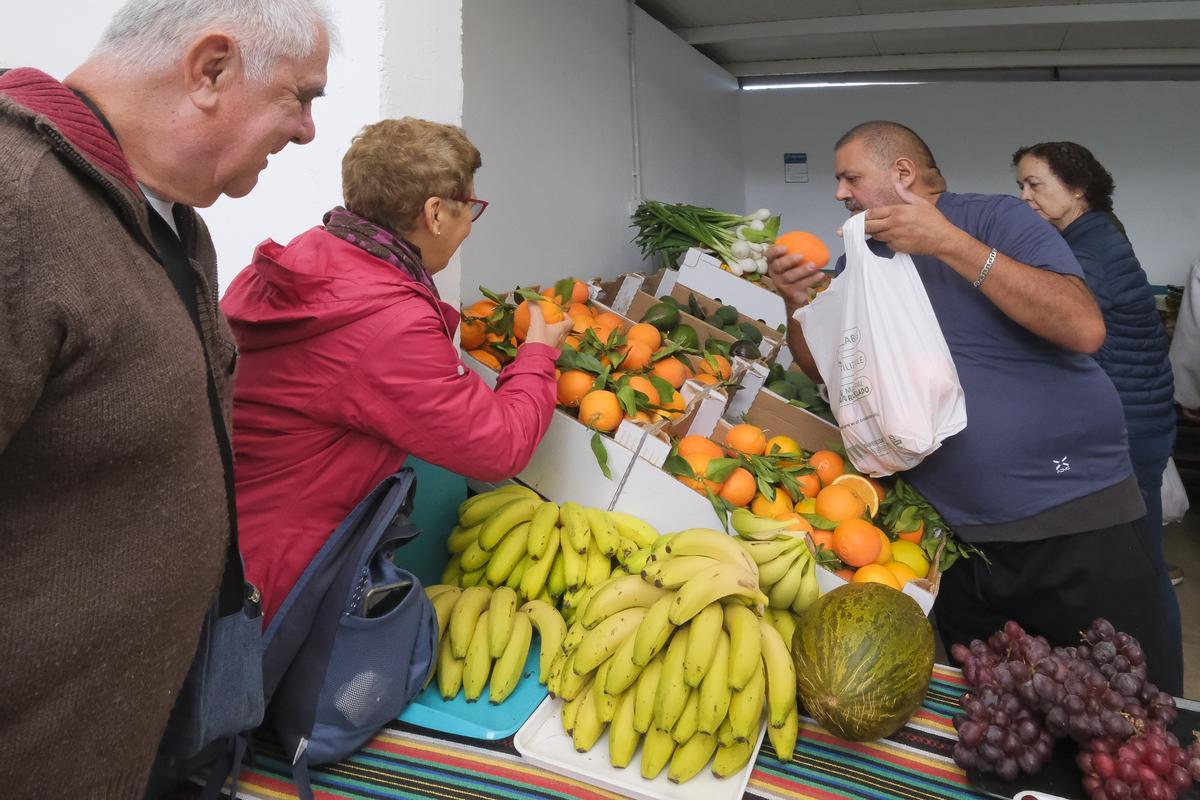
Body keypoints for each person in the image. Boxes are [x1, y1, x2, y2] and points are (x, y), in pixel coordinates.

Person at [0, 1, 333, 797]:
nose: (308, 131)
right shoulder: (16, 205)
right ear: (210, 69)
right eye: (300, 97)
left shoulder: (172, 220)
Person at [767, 121, 1182, 695]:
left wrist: (947, 243)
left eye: (850, 177)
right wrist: (795, 303)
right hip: (958, 544)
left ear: (902, 173)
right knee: (1001, 713)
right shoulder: (860, 261)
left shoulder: (992, 218)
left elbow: (1082, 326)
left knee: (1121, 705)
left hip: (1074, 522)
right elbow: (828, 372)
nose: (839, 192)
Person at [221, 117, 572, 625]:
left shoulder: (309, 256)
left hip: (235, 533)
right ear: (435, 213)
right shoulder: (387, 322)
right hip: (283, 575)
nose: (470, 225)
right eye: (470, 207)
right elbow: (498, 448)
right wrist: (537, 353)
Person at [1013, 142, 1182, 625]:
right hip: (1137, 416)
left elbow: (1053, 322)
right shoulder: (1091, 234)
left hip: (1129, 424)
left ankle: (1153, 652)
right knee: (1131, 547)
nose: (1025, 197)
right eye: (1021, 186)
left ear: (1077, 188)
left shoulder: (1090, 251)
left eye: (1035, 184)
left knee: (1135, 554)